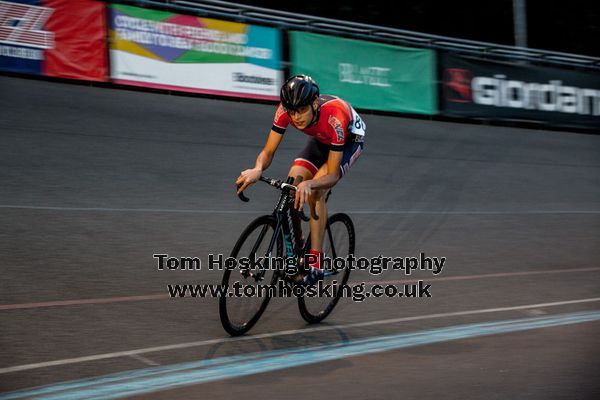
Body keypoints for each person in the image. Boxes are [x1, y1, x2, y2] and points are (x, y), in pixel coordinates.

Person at [236, 74, 365, 284]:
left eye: (301, 110)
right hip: (321, 138)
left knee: (315, 193)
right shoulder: (285, 110)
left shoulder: (336, 118)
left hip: (348, 141)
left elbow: (332, 174)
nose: (296, 116)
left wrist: (311, 182)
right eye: (292, 111)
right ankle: (297, 248)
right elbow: (268, 151)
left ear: (314, 103)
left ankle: (315, 262)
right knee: (291, 187)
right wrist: (257, 168)